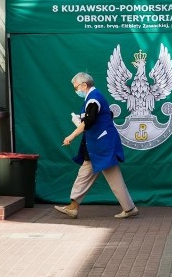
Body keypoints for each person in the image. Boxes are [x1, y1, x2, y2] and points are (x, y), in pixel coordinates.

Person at [54, 72, 139, 219]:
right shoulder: (94, 98)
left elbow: (89, 121)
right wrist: (80, 121)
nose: (76, 91)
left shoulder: (93, 99)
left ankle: (129, 208)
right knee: (85, 174)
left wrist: (72, 135)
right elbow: (97, 118)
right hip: (97, 144)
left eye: (76, 87)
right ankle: (73, 206)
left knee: (112, 177)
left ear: (84, 85)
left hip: (101, 145)